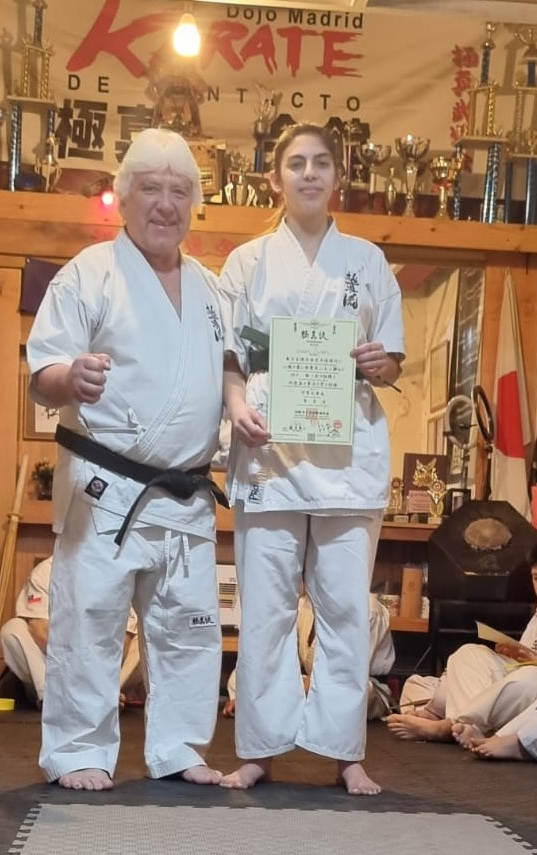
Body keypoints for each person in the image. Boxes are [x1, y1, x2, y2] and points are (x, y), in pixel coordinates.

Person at [26, 128, 226, 791]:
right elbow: (43, 371)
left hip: (186, 493)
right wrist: (71, 377)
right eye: (151, 188)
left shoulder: (212, 289)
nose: (166, 204)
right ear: (123, 195)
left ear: (194, 203)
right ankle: (77, 748)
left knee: (189, 626)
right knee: (90, 621)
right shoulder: (88, 273)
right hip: (105, 487)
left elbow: (233, 370)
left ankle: (178, 746)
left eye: (179, 191)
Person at [217, 122, 405, 794]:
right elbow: (229, 357)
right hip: (269, 446)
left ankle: (344, 750)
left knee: (345, 608)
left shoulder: (367, 260)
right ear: (275, 178)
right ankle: (260, 748)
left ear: (338, 176)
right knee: (265, 609)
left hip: (345, 449)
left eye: (321, 162)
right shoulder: (245, 261)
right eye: (295, 163)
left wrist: (381, 364)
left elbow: (390, 359)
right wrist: (235, 405)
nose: (308, 173)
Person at [387, 546, 537, 747]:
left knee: (529, 677)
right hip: (514, 685)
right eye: (536, 578)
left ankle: (450, 725)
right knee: (469, 654)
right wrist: (514, 654)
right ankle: (463, 724)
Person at [223, 593, 395, 720]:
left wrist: (287, 688)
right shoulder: (304, 604)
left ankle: (268, 705)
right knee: (248, 671)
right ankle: (266, 704)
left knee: (342, 693)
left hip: (358, 688)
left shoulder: (366, 607)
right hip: (308, 684)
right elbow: (271, 656)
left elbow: (347, 676)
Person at [0, 556, 142, 708]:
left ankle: (103, 696)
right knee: (13, 629)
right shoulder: (45, 571)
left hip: (103, 671)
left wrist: (94, 679)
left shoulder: (119, 573)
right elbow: (40, 629)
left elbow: (122, 640)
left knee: (148, 636)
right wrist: (75, 668)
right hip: (57, 667)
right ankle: (51, 696)